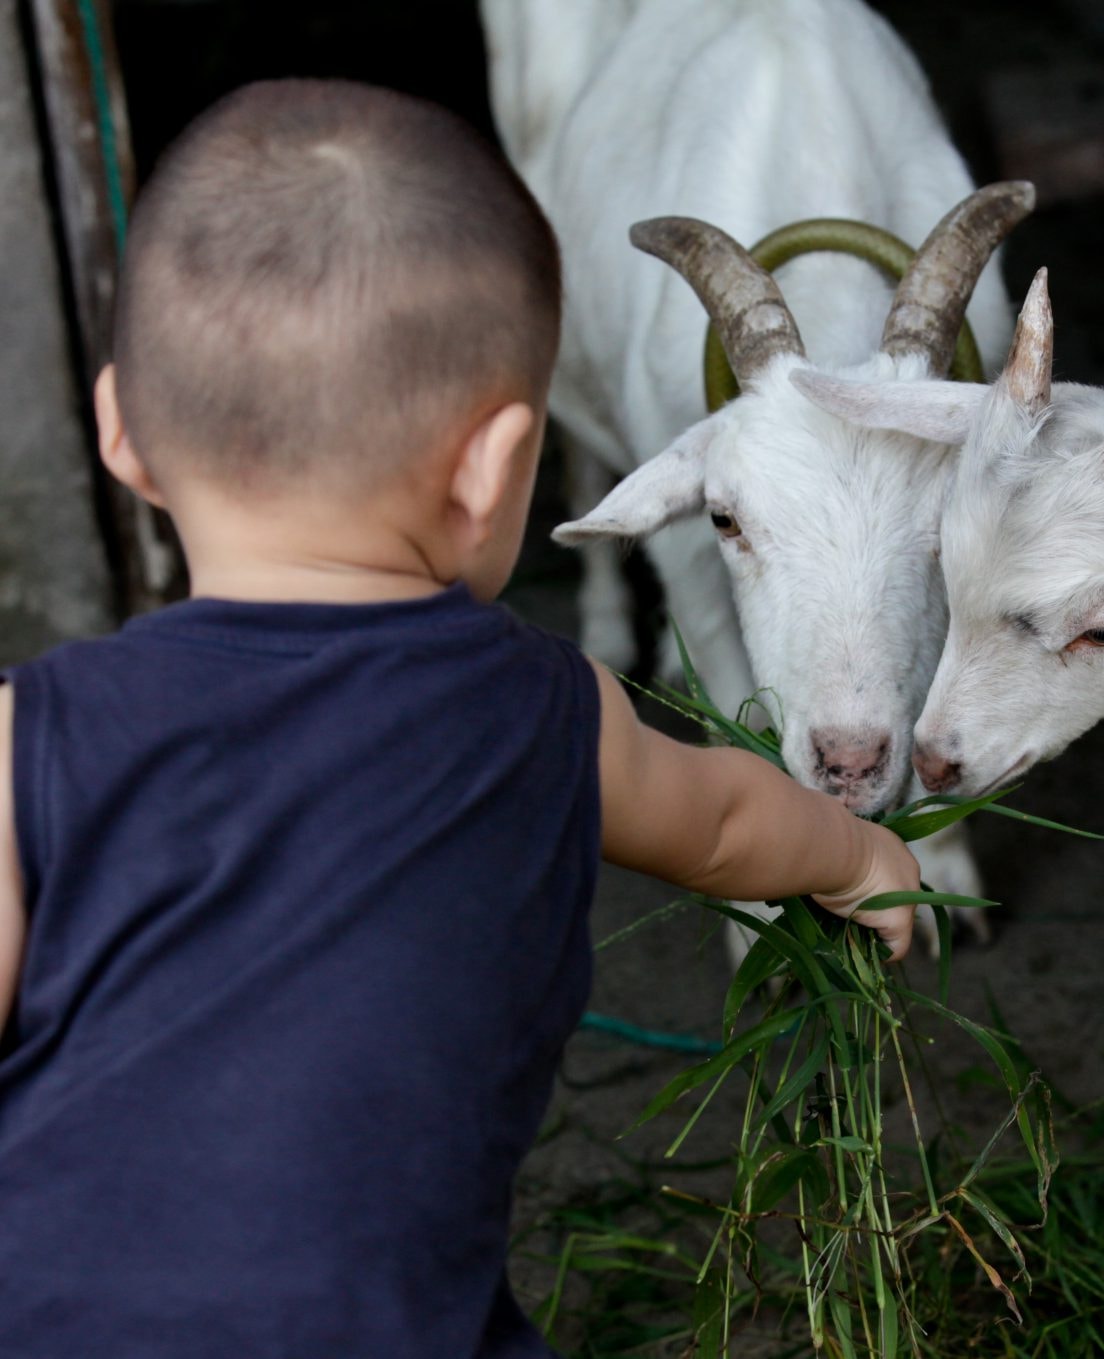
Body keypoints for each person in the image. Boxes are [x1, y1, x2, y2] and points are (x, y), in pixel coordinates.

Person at [0, 78, 919, 1357]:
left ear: (120, 435)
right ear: (494, 467)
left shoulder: (23, 738)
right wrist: (859, 856)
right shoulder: (548, 712)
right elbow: (723, 820)